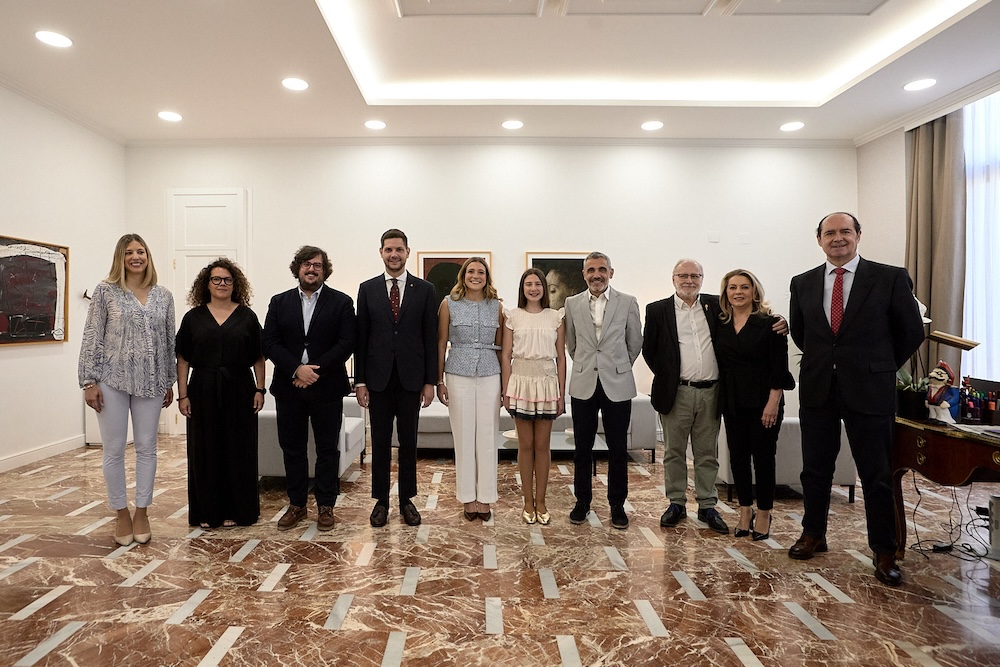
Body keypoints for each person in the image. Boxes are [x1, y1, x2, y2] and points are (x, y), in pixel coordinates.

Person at [789, 212, 924, 586]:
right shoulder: (802, 282)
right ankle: (813, 534)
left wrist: (879, 365)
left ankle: (884, 550)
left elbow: (911, 332)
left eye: (845, 231)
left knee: (876, 474)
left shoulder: (890, 277)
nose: (838, 238)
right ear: (819, 240)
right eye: (829, 233)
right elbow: (802, 334)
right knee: (815, 470)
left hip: (870, 390)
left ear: (858, 236)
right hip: (819, 389)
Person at [79, 234, 176, 547]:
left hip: (151, 382)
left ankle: (142, 512)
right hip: (112, 381)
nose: (136, 257)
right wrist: (89, 381)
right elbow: (92, 336)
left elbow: (169, 341)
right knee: (114, 449)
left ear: (148, 256)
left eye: (141, 251)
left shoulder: (164, 296)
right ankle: (121, 513)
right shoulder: (105, 292)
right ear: (120, 258)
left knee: (147, 447)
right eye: (129, 252)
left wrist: (169, 380)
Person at [262, 246, 356, 532]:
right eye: (306, 264)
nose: (312, 269)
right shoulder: (279, 302)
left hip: (327, 387)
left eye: (317, 265)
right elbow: (270, 342)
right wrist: (296, 369)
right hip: (289, 387)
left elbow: (346, 343)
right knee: (292, 449)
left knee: (327, 449)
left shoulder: (341, 302)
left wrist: (314, 371)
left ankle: (326, 506)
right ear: (298, 268)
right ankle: (297, 505)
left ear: (325, 270)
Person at [356, 229, 439, 528]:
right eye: (389, 249)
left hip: (411, 380)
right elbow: (361, 338)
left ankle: (407, 500)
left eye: (399, 249)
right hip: (377, 380)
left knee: (408, 442)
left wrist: (430, 381)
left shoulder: (425, 289)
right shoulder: (367, 289)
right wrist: (360, 381)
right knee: (379, 442)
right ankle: (381, 501)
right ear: (381, 252)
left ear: (407, 252)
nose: (394, 254)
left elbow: (430, 337)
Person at [642, 259, 731, 535]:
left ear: (702, 278)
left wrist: (778, 321)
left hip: (711, 392)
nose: (689, 280)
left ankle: (707, 505)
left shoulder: (717, 305)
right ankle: (676, 503)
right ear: (673, 279)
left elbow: (746, 318)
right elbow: (649, 350)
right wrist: (669, 376)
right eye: (683, 275)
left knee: (707, 453)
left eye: (695, 275)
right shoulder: (657, 310)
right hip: (676, 392)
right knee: (674, 452)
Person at [176, 258, 265, 529]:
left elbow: (259, 357)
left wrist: (260, 389)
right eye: (216, 279)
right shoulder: (193, 318)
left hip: (240, 388)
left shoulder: (247, 316)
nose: (222, 284)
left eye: (227, 279)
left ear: (235, 284)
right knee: (205, 450)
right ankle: (207, 512)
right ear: (207, 284)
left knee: (239, 450)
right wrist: (183, 395)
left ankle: (239, 511)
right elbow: (183, 358)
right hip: (202, 388)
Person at [563, 252, 642, 529]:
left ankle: (617, 505)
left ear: (611, 272)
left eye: (602, 269)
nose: (596, 275)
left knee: (618, 449)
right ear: (584, 274)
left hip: (617, 383)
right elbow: (571, 344)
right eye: (591, 270)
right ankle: (582, 501)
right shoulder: (572, 303)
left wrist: (617, 366)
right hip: (584, 382)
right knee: (582, 448)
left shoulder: (628, 302)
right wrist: (588, 365)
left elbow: (635, 342)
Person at [715, 269, 795, 541]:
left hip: (764, 400)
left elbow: (779, 368)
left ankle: (764, 512)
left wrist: (773, 403)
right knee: (737, 456)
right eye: (732, 287)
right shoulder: (720, 323)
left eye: (744, 287)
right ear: (725, 293)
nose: (738, 292)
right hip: (732, 400)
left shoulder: (771, 324)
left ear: (754, 291)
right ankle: (744, 510)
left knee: (763, 458)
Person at [436, 257, 503, 522]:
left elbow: (502, 347)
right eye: (471, 271)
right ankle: (468, 497)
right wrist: (439, 380)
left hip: (490, 374)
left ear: (487, 277)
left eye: (481, 272)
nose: (476, 276)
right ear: (463, 275)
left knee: (488, 436)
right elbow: (441, 343)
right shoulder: (448, 303)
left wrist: (505, 385)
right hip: (457, 373)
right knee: (463, 437)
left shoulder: (497, 306)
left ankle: (485, 498)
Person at [501, 268, 567, 525]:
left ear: (543, 288)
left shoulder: (555, 317)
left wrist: (561, 393)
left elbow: (561, 358)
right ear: (522, 288)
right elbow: (506, 355)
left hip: (547, 383)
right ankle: (527, 502)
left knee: (543, 446)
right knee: (525, 445)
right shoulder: (513, 316)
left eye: (538, 284)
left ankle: (541, 502)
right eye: (528, 284)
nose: (533, 288)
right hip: (520, 382)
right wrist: (506, 391)